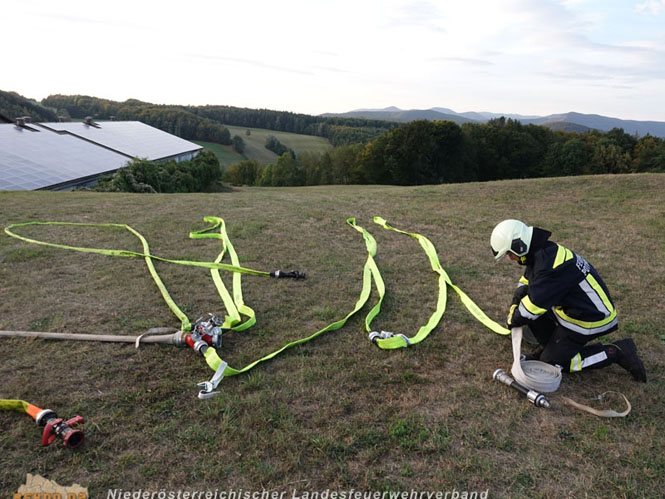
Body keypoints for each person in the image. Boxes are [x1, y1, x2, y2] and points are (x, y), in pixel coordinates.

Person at [490, 219, 646, 382]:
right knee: (533, 316)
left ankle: (616, 351)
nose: (510, 258)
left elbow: (530, 309)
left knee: (553, 364)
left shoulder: (548, 266)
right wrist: (517, 300)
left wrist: (513, 319)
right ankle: (551, 347)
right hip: (575, 309)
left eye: (509, 253)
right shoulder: (542, 251)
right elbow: (526, 281)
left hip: (590, 318)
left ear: (518, 245)